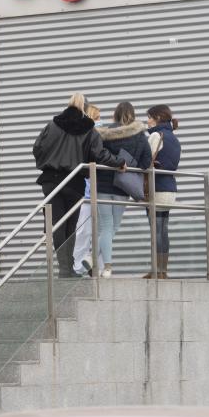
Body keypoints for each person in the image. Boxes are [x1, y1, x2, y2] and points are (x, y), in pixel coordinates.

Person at [32, 93, 126, 278]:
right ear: (85, 108)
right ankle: (68, 269)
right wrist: (119, 162)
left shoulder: (51, 125)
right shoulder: (88, 129)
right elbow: (100, 154)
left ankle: (64, 269)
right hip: (73, 181)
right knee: (70, 226)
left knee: (57, 224)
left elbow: (37, 148)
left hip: (51, 181)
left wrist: (48, 162)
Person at [95, 102, 152, 278]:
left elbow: (96, 155)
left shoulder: (104, 133)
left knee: (105, 225)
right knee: (113, 226)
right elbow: (146, 161)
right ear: (132, 115)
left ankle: (103, 266)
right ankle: (103, 265)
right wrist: (131, 164)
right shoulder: (139, 135)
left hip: (102, 184)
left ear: (115, 114)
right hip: (123, 186)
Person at [146, 104, 181, 279]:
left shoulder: (155, 135)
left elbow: (145, 160)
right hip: (170, 189)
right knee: (163, 230)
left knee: (156, 230)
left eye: (150, 117)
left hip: (156, 188)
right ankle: (162, 271)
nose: (148, 120)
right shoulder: (174, 139)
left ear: (158, 118)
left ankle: (156, 270)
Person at [72, 104, 102, 276]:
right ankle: (88, 267)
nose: (100, 121)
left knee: (84, 232)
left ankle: (82, 266)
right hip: (93, 192)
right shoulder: (92, 135)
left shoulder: (85, 136)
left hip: (89, 193)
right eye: (98, 117)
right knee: (93, 232)